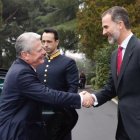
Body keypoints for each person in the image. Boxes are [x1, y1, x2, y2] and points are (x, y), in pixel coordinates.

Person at [0, 32, 94, 140]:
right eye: (40, 50)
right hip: (16, 133)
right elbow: (48, 95)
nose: (44, 52)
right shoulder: (22, 73)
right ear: (25, 55)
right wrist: (81, 98)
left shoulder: (21, 68)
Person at [91, 6, 140, 140]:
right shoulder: (115, 55)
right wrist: (92, 98)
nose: (103, 32)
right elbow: (111, 88)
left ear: (120, 24)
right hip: (123, 129)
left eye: (106, 27)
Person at [36, 28, 79, 140]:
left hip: (59, 115)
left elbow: (72, 88)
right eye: (43, 41)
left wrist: (63, 112)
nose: (45, 45)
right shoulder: (38, 61)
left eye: (49, 41)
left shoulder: (68, 63)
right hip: (38, 114)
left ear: (57, 42)